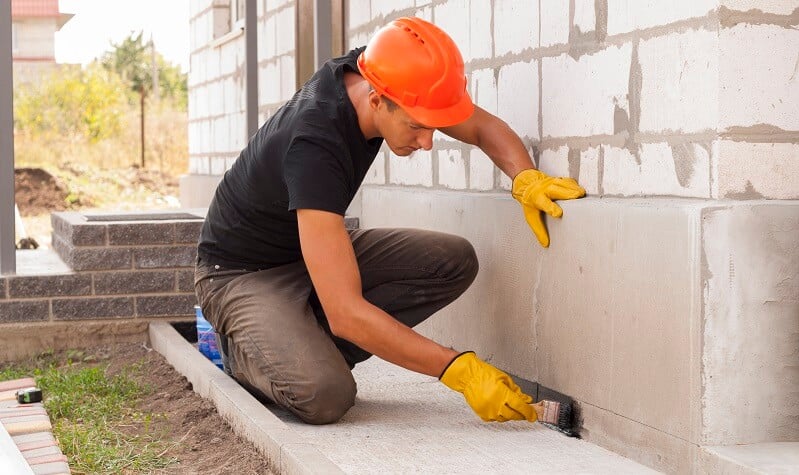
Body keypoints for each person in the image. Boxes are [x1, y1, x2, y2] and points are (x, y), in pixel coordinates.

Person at [194, 17, 585, 425]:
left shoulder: (385, 74)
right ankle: (248, 352)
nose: (428, 141)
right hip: (240, 275)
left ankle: (306, 344)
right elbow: (345, 313)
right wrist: (459, 370)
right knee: (324, 395)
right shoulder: (314, 147)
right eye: (417, 126)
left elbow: (482, 127)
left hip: (304, 253)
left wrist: (525, 178)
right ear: (377, 100)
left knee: (451, 260)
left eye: (432, 126)